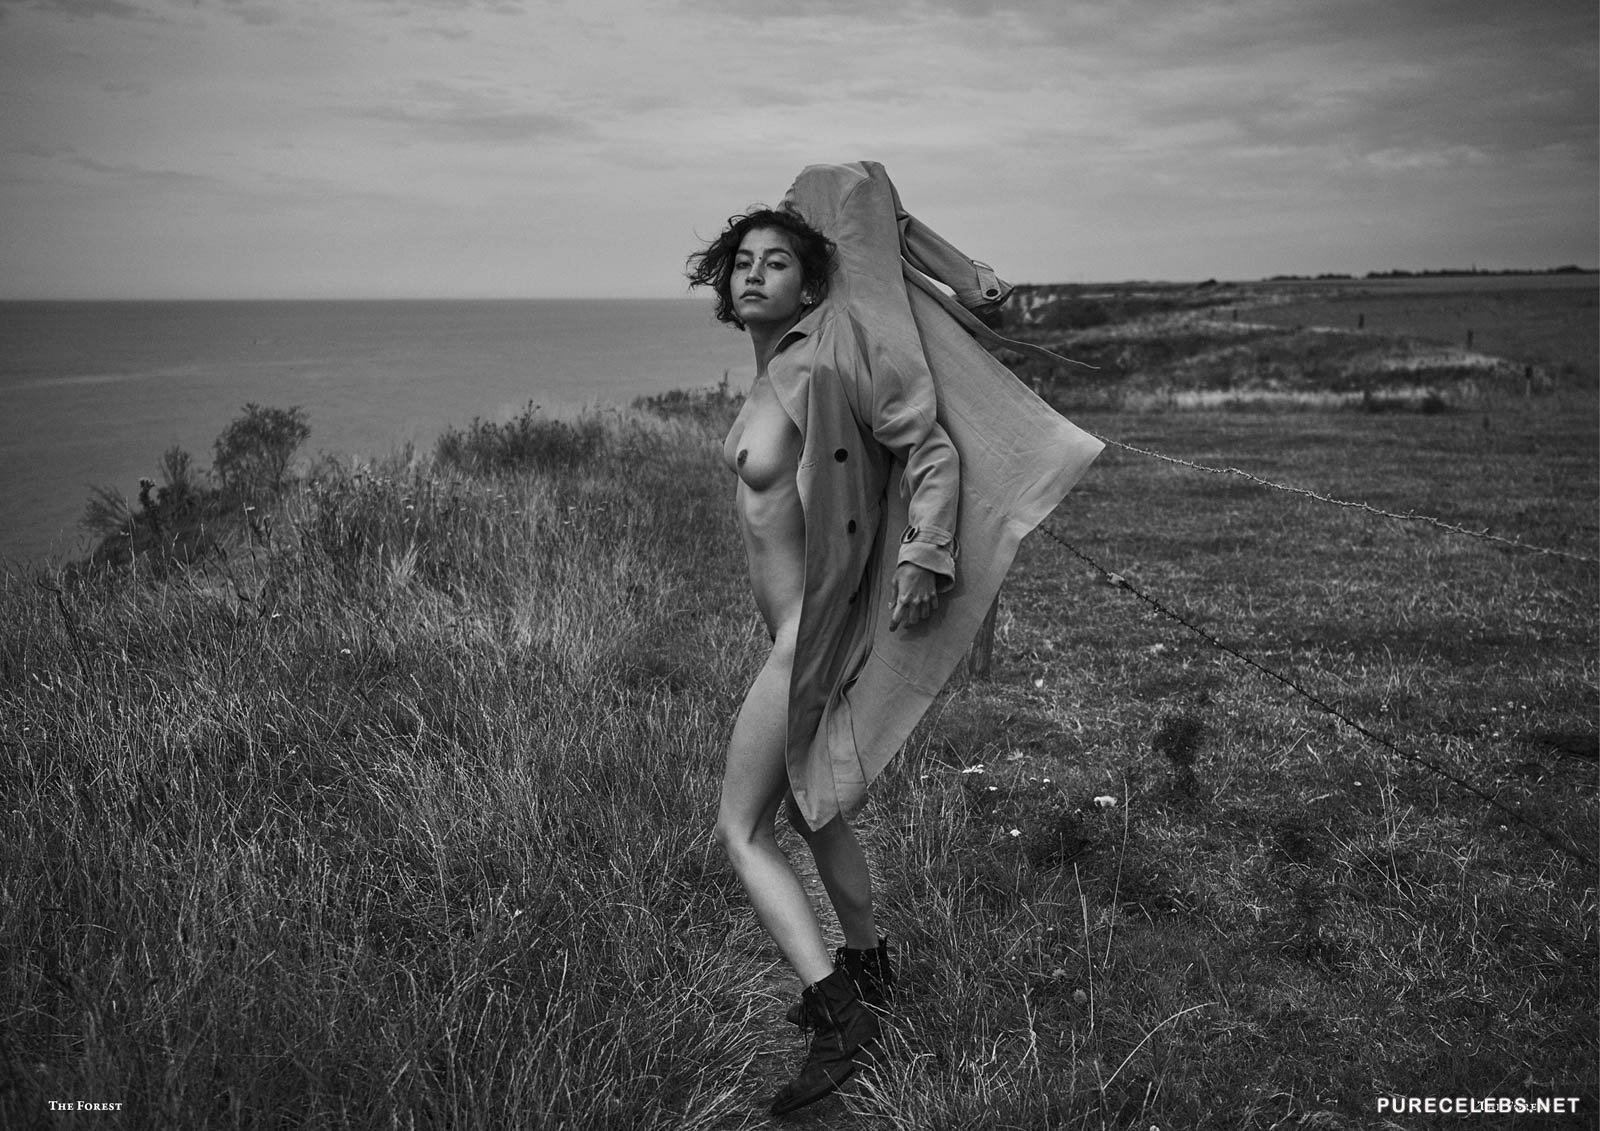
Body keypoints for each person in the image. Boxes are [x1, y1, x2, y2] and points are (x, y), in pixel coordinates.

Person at [687, 162, 1103, 1116]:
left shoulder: (828, 361)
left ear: (813, 283)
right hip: (795, 630)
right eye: (742, 262)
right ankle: (871, 968)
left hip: (808, 638)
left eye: (778, 262)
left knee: (741, 828)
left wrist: (925, 552)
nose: (754, 274)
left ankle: (836, 1014)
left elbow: (930, 446)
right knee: (815, 807)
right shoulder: (773, 369)